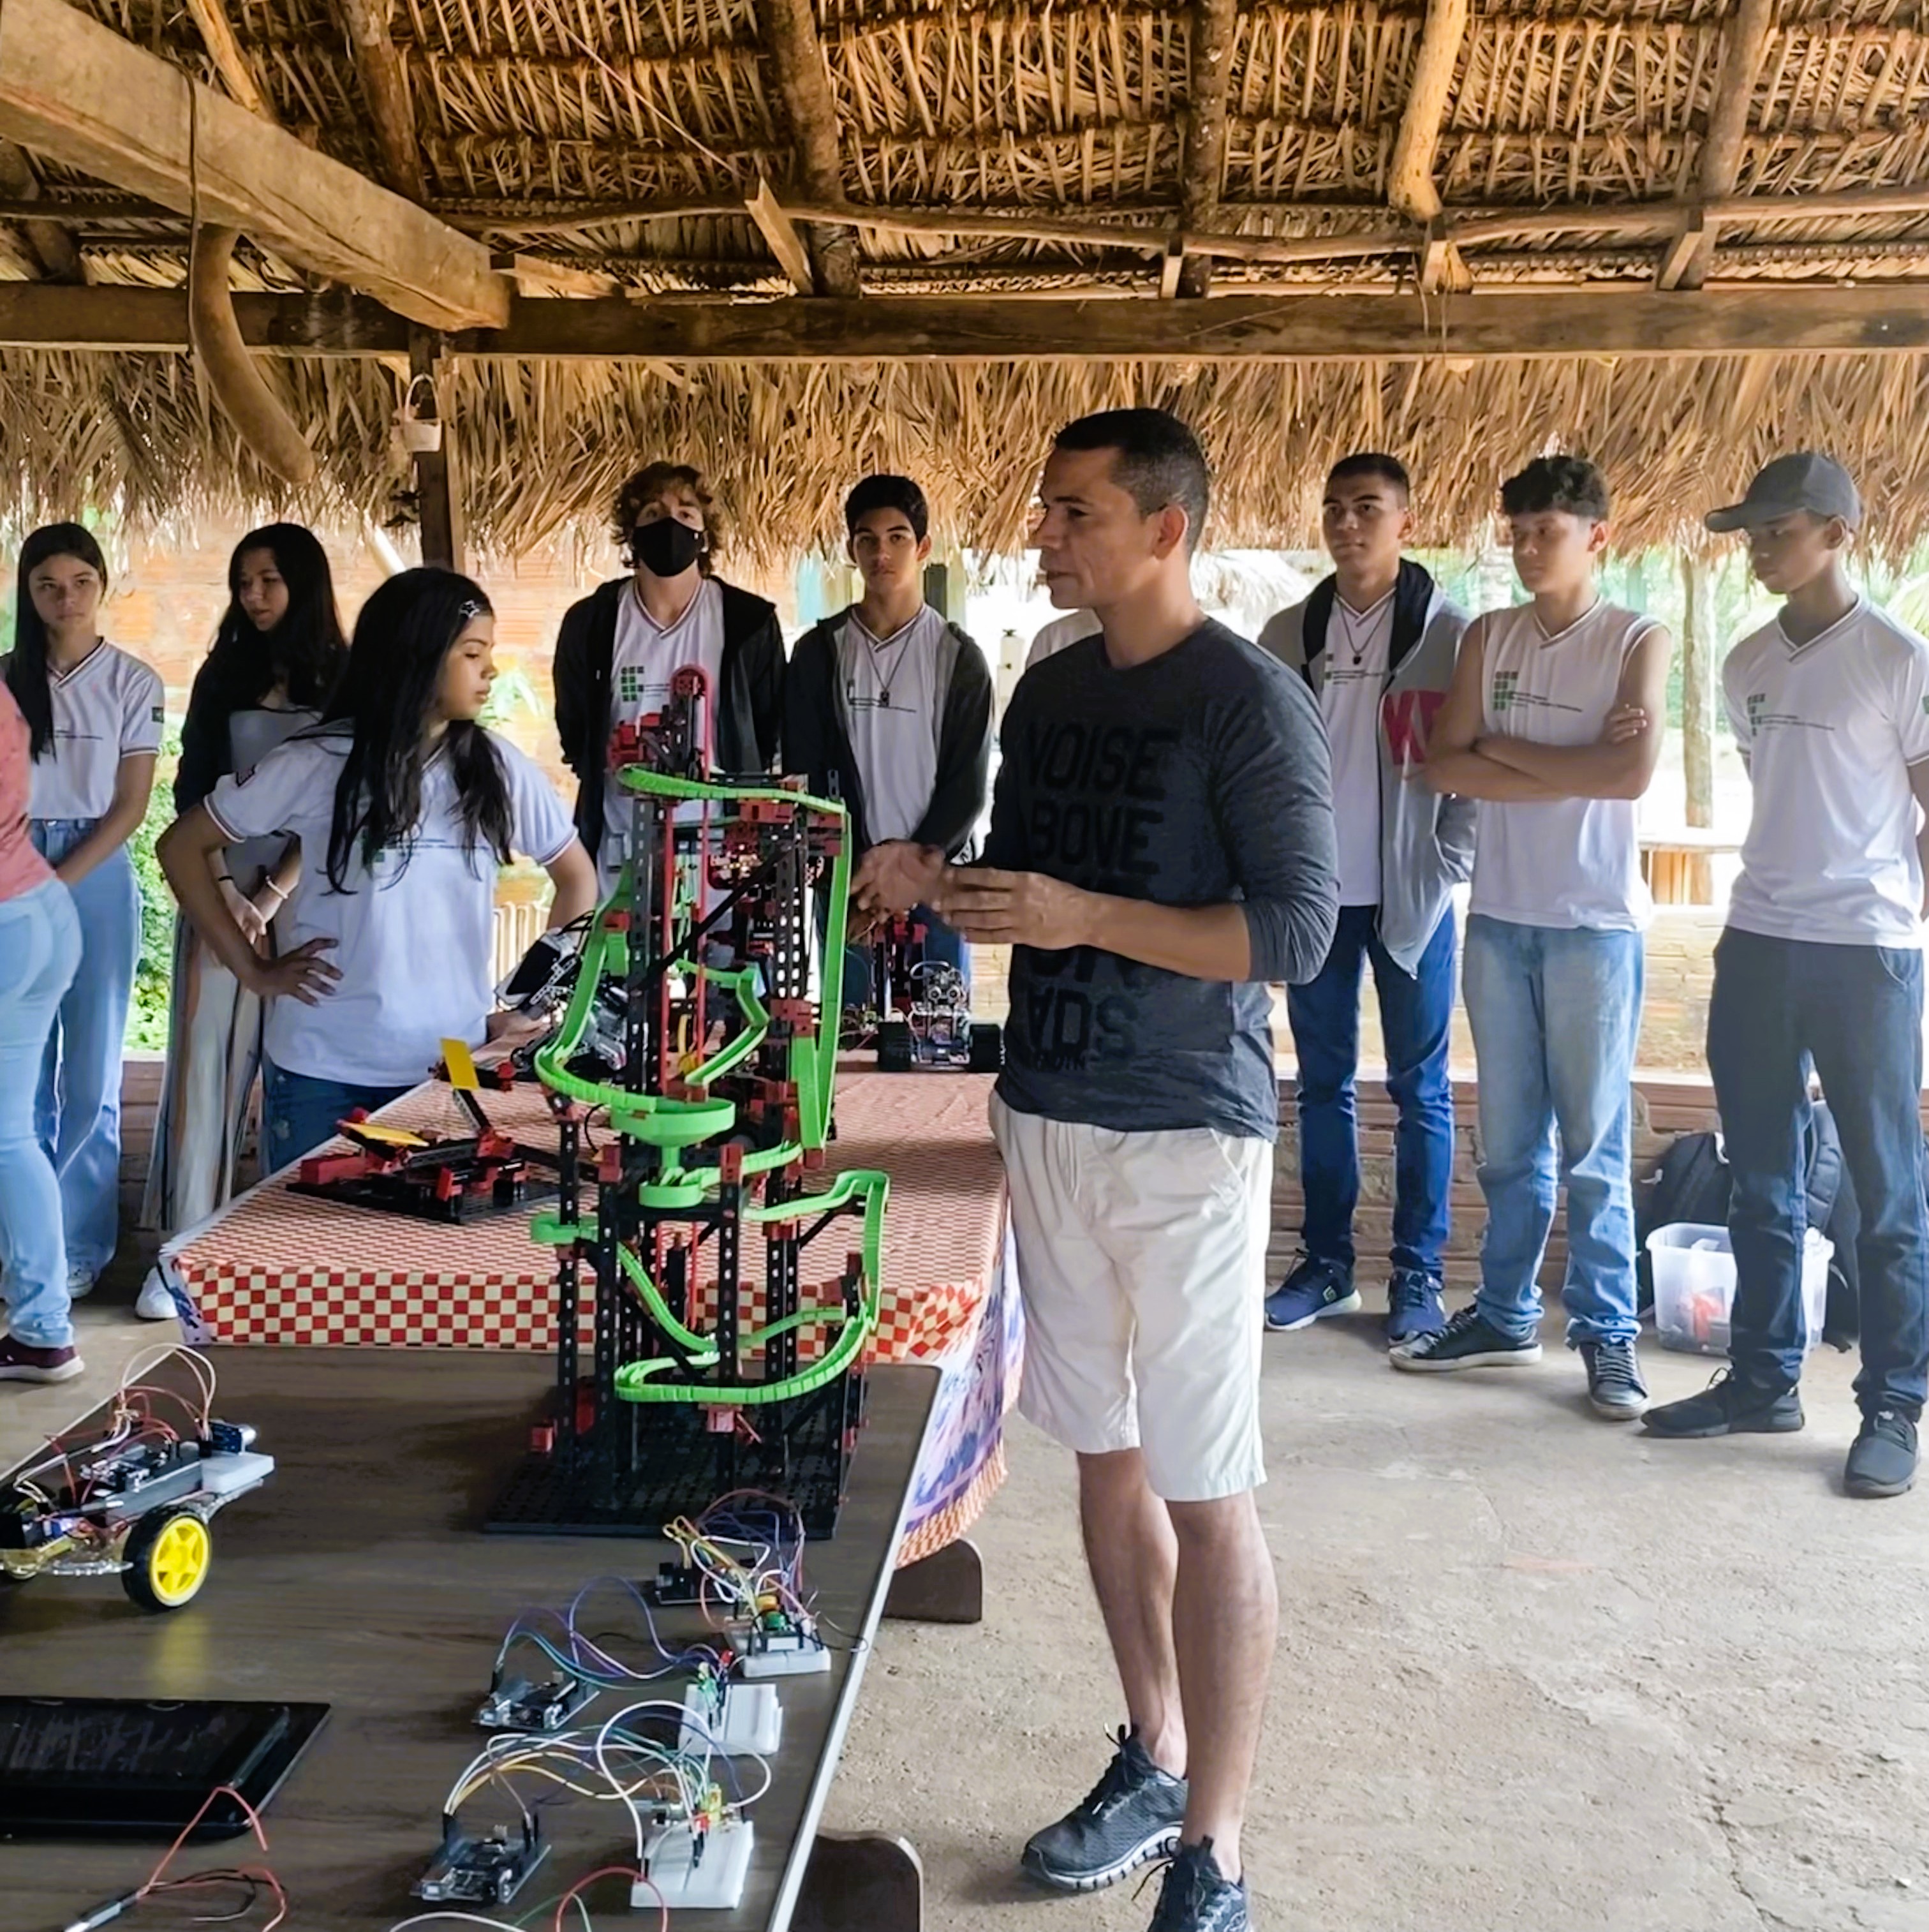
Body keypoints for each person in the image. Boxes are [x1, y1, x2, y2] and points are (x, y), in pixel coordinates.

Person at [862, 410, 1338, 1932]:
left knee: (1210, 1486)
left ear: (1165, 529)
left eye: (1075, 512)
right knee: (1105, 1453)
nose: (1044, 536)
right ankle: (1153, 1746)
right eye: (1046, 509)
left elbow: (1295, 931)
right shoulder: (1055, 685)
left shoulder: (1249, 700)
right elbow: (1031, 882)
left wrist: (1081, 918)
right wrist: (942, 885)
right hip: (1048, 1110)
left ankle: (1217, 1850)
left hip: (1186, 1131)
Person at [1644, 454, 1929, 1499]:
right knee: (1758, 1176)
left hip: (1865, 952)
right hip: (1758, 940)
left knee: (1886, 1190)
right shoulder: (1746, 662)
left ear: (1838, 534)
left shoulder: (1897, 660)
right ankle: (1763, 1380)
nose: (1759, 548)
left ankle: (1892, 1401)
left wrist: (1895, 922)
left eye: (1778, 530)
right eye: (1751, 533)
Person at [1400, 455, 1671, 1420]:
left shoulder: (1638, 638)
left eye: (1545, 532)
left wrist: (1502, 749)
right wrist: (1575, 761)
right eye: (1516, 533)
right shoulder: (1490, 635)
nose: (1526, 549)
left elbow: (1629, 777)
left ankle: (1606, 1333)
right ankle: (1507, 1314)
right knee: (1510, 1143)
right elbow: (1444, 768)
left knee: (1595, 1146)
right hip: (1501, 920)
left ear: (1597, 536)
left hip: (1595, 924)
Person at [159, 568, 596, 1165]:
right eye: (472, 653)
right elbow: (181, 847)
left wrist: (528, 1005)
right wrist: (254, 971)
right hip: (320, 1065)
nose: (490, 670)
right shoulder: (316, 760)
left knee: (438, 1221)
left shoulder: (497, 768)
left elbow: (577, 878)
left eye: (488, 653)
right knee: (303, 1224)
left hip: (449, 1058)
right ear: (416, 656)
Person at [1258, 454, 1472, 1344]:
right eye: (1335, 508)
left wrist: (1448, 857)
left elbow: (1475, 761)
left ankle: (1418, 1274)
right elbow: (1260, 762)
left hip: (1412, 898)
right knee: (1322, 1086)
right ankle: (1327, 1265)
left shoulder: (1450, 635)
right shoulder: (1287, 634)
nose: (1348, 525)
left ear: (1406, 521)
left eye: (1368, 509)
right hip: (1318, 898)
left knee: (1422, 1089)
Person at [140, 526, 348, 1275]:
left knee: (305, 1070)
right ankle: (182, 1252)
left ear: (304, 583)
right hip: (216, 887)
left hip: (309, 894)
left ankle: (292, 1247)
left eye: (269, 580)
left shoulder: (347, 677)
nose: (253, 596)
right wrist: (228, 892)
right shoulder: (222, 673)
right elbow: (191, 791)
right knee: (204, 1072)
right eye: (243, 582)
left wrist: (273, 893)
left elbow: (340, 803)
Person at [2, 523, 161, 1301]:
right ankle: (23, 1250)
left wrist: (58, 880)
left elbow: (130, 806)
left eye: (80, 583)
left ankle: (79, 1247)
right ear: (27, 593)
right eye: (47, 585)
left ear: (102, 584)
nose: (65, 599)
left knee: (93, 1066)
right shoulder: (6, 679)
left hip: (95, 869)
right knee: (19, 1071)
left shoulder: (134, 681)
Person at [786, 474, 993, 1006]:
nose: (882, 553)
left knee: (939, 1032)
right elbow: (806, 772)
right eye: (868, 539)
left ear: (922, 547)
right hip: (849, 883)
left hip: (936, 880)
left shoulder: (958, 658)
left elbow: (968, 786)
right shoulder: (818, 653)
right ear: (851, 550)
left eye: (898, 537)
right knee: (849, 1032)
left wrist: (913, 870)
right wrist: (860, 876)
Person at [552, 463, 785, 891]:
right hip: (619, 853)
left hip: (721, 860)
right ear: (632, 533)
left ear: (704, 534)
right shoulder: (591, 623)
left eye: (686, 513)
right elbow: (575, 729)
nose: (670, 524)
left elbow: (767, 731)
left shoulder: (748, 622)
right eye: (653, 514)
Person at [0, 680, 85, 1383]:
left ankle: (44, 1329)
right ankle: (42, 1331)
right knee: (9, 1137)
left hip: (7, 923)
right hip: (38, 907)